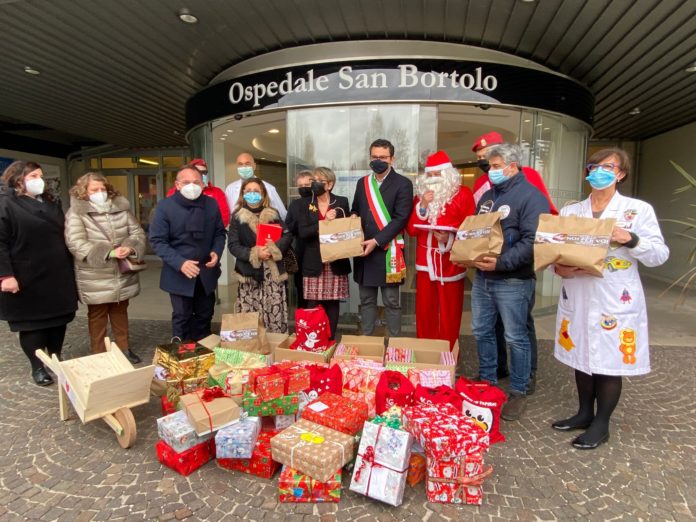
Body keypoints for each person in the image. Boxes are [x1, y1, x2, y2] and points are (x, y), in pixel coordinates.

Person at [551, 148, 668, 449]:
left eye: (608, 167)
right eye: (594, 166)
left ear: (621, 174)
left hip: (616, 298)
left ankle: (601, 424)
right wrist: (559, 266)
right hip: (578, 293)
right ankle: (582, 413)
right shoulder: (571, 212)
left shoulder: (636, 211)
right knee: (581, 355)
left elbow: (659, 255)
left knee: (609, 361)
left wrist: (631, 239)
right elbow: (555, 253)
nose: (599, 171)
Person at [472, 131, 558, 393]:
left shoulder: (532, 197)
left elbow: (533, 241)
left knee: (515, 337)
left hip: (513, 279)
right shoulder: (488, 197)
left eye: (496, 167)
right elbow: (478, 233)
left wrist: (500, 263)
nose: (491, 171)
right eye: (489, 167)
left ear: (512, 167)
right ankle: (487, 380)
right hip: (483, 278)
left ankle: (520, 388)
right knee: (482, 332)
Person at [0, 161, 78, 386]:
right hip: (25, 275)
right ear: (18, 179)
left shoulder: (51, 202)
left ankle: (55, 359)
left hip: (56, 272)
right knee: (32, 324)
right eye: (33, 175)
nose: (39, 180)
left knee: (57, 321)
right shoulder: (6, 204)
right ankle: (38, 367)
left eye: (41, 175)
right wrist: (5, 276)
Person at [65, 172, 146, 364]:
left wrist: (130, 246)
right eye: (94, 189)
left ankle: (124, 348)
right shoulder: (76, 213)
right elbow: (75, 242)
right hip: (95, 273)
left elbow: (137, 232)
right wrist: (108, 253)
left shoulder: (121, 209)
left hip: (121, 271)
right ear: (84, 191)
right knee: (97, 315)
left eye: (103, 189)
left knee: (120, 311)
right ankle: (99, 353)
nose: (100, 192)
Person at [149, 164, 226, 340]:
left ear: (203, 183)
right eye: (186, 182)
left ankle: (204, 350)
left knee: (205, 314)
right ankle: (182, 354)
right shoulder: (165, 207)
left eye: (196, 181)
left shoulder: (211, 204)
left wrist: (216, 251)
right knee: (181, 316)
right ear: (177, 185)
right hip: (179, 274)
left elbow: (220, 233)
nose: (192, 185)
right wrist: (180, 263)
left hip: (206, 272)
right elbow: (157, 241)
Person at [406, 151, 475, 348]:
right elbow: (411, 230)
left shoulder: (463, 194)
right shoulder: (420, 198)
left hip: (450, 263)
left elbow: (471, 229)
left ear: (448, 174)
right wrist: (423, 205)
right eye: (430, 175)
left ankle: (447, 354)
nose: (434, 179)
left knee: (450, 313)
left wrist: (449, 238)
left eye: (438, 174)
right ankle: (425, 353)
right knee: (424, 311)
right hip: (425, 263)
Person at [351, 138, 413, 337]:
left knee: (391, 302)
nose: (378, 160)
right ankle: (368, 342)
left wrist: (377, 241)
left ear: (392, 159)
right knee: (367, 300)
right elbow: (355, 209)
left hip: (387, 251)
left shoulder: (403, 184)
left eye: (383, 157)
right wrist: (352, 217)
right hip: (364, 251)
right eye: (374, 157)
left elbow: (401, 218)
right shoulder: (363, 183)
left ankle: (394, 344)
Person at [293, 167, 351, 339]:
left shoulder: (341, 201)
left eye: (319, 181)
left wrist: (351, 218)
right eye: (314, 181)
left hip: (335, 260)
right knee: (312, 301)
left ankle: (330, 339)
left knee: (333, 302)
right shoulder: (305, 203)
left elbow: (345, 228)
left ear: (330, 184)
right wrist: (324, 223)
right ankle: (312, 339)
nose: (315, 184)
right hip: (313, 260)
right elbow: (303, 232)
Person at [228, 177, 292, 333]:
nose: (252, 194)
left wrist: (272, 248)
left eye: (256, 191)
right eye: (248, 191)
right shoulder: (237, 216)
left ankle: (276, 347)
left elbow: (287, 235)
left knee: (274, 314)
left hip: (273, 274)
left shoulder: (273, 213)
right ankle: (252, 350)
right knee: (251, 317)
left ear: (263, 193)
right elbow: (233, 245)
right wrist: (256, 252)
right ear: (243, 193)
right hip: (250, 273)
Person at [166, 158, 230, 227]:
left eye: (204, 172)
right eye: (198, 172)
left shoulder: (217, 192)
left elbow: (224, 217)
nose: (201, 175)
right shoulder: (175, 192)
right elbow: (169, 215)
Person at [285, 170, 315, 309]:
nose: (303, 187)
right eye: (300, 185)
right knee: (302, 290)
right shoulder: (294, 205)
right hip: (301, 252)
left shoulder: (319, 202)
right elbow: (287, 228)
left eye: (307, 184)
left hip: (319, 252)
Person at [225, 152, 287, 220]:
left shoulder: (268, 188)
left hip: (262, 228)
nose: (244, 167)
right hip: (237, 228)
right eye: (240, 164)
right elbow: (227, 214)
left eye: (247, 163)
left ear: (254, 166)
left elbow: (282, 214)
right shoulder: (230, 189)